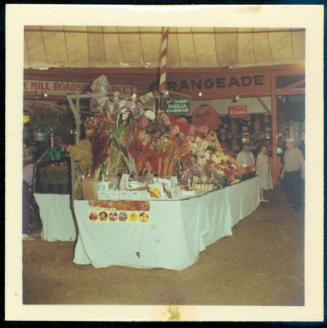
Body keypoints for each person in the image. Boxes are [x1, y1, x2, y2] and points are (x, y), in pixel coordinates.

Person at [281, 138, 305, 210]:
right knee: (289, 189)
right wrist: (282, 173)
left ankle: (297, 206)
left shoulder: (297, 151)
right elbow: (285, 164)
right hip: (287, 173)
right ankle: (292, 203)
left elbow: (302, 162)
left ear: (293, 144)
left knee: (296, 189)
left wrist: (303, 172)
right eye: (287, 143)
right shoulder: (286, 152)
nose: (288, 144)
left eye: (290, 143)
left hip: (295, 173)